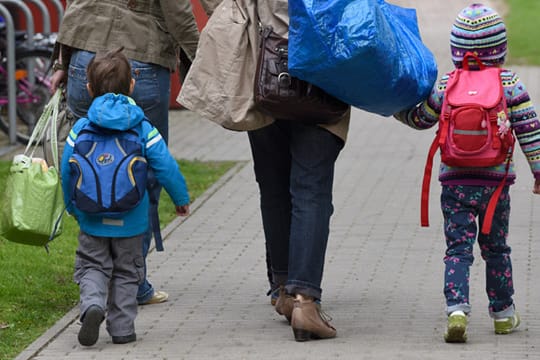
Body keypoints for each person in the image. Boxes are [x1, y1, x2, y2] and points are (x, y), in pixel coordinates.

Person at [187, 0, 349, 341]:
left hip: (262, 70)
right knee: (311, 190)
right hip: (323, 78)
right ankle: (304, 300)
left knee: (274, 188)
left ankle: (283, 290)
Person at [394, 3, 540, 343]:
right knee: (497, 248)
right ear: (500, 47)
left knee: (458, 249)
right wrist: (538, 171)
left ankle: (457, 310)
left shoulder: (448, 82)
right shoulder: (509, 82)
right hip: (495, 184)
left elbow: (422, 118)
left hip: (455, 181)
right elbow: (530, 129)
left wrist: (396, 112)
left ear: (456, 48)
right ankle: (503, 314)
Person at [49, 0, 200, 306]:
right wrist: (203, 59)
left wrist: (63, 61)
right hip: (140, 56)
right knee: (143, 173)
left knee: (87, 164)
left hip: (84, 56)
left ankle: (95, 275)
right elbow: (178, 11)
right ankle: (133, 282)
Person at [60, 48, 190, 346]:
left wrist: (72, 205)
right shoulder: (143, 127)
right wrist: (180, 198)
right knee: (127, 272)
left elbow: (68, 170)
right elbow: (166, 166)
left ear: (89, 88)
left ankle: (93, 304)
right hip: (132, 219)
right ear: (132, 84)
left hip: (91, 218)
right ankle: (121, 330)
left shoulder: (81, 128)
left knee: (92, 265)